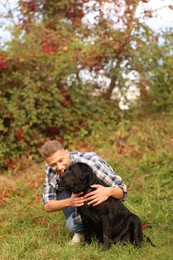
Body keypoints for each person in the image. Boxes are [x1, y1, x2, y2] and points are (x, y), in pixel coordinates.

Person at [41, 140, 127, 245]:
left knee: (75, 225)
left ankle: (102, 230)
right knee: (72, 224)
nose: (59, 167)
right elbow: (48, 205)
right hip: (80, 205)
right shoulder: (51, 171)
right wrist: (69, 202)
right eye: (53, 164)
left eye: (61, 160)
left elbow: (122, 192)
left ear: (66, 152)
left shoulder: (91, 162)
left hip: (102, 208)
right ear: (48, 164)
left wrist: (108, 191)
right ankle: (82, 231)